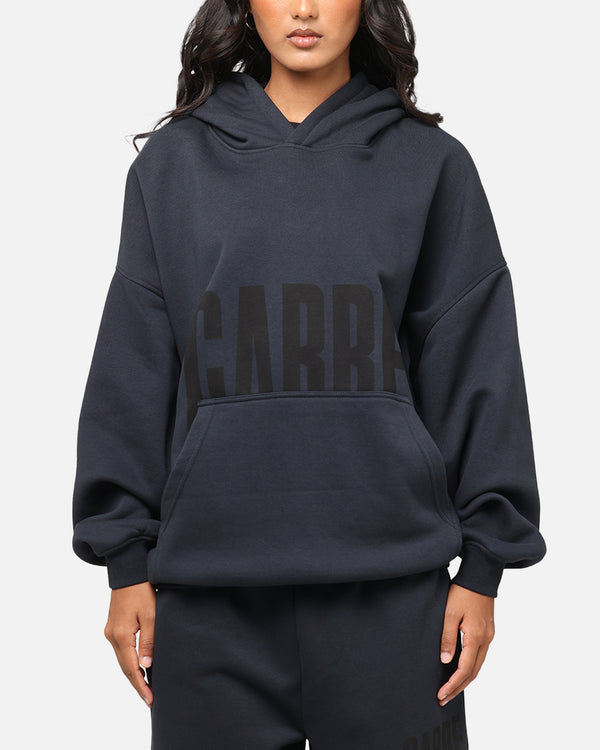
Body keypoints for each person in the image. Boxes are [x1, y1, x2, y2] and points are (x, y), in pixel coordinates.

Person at [71, 1, 547, 748]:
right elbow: (133, 365)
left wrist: (485, 567)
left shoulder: (431, 165)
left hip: (395, 601)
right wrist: (123, 560)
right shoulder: (171, 166)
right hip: (208, 602)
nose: (303, 8)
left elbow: (477, 365)